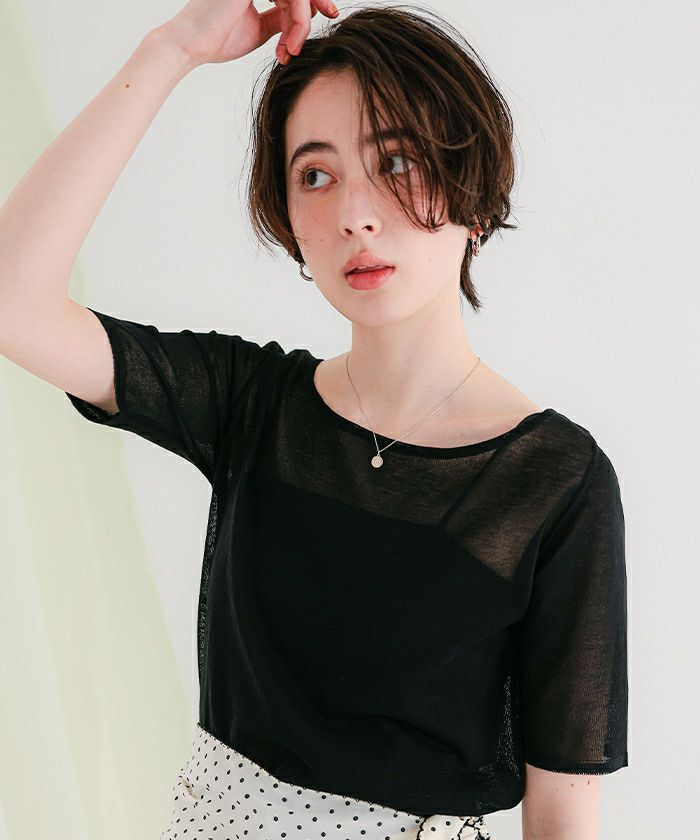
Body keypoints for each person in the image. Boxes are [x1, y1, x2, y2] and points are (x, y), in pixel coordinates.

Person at [0, 2, 628, 839]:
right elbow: (13, 301)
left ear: (474, 192)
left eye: (396, 162)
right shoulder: (251, 403)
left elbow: (563, 812)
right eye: (316, 175)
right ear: (291, 221)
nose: (354, 215)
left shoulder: (555, 482)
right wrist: (171, 49)